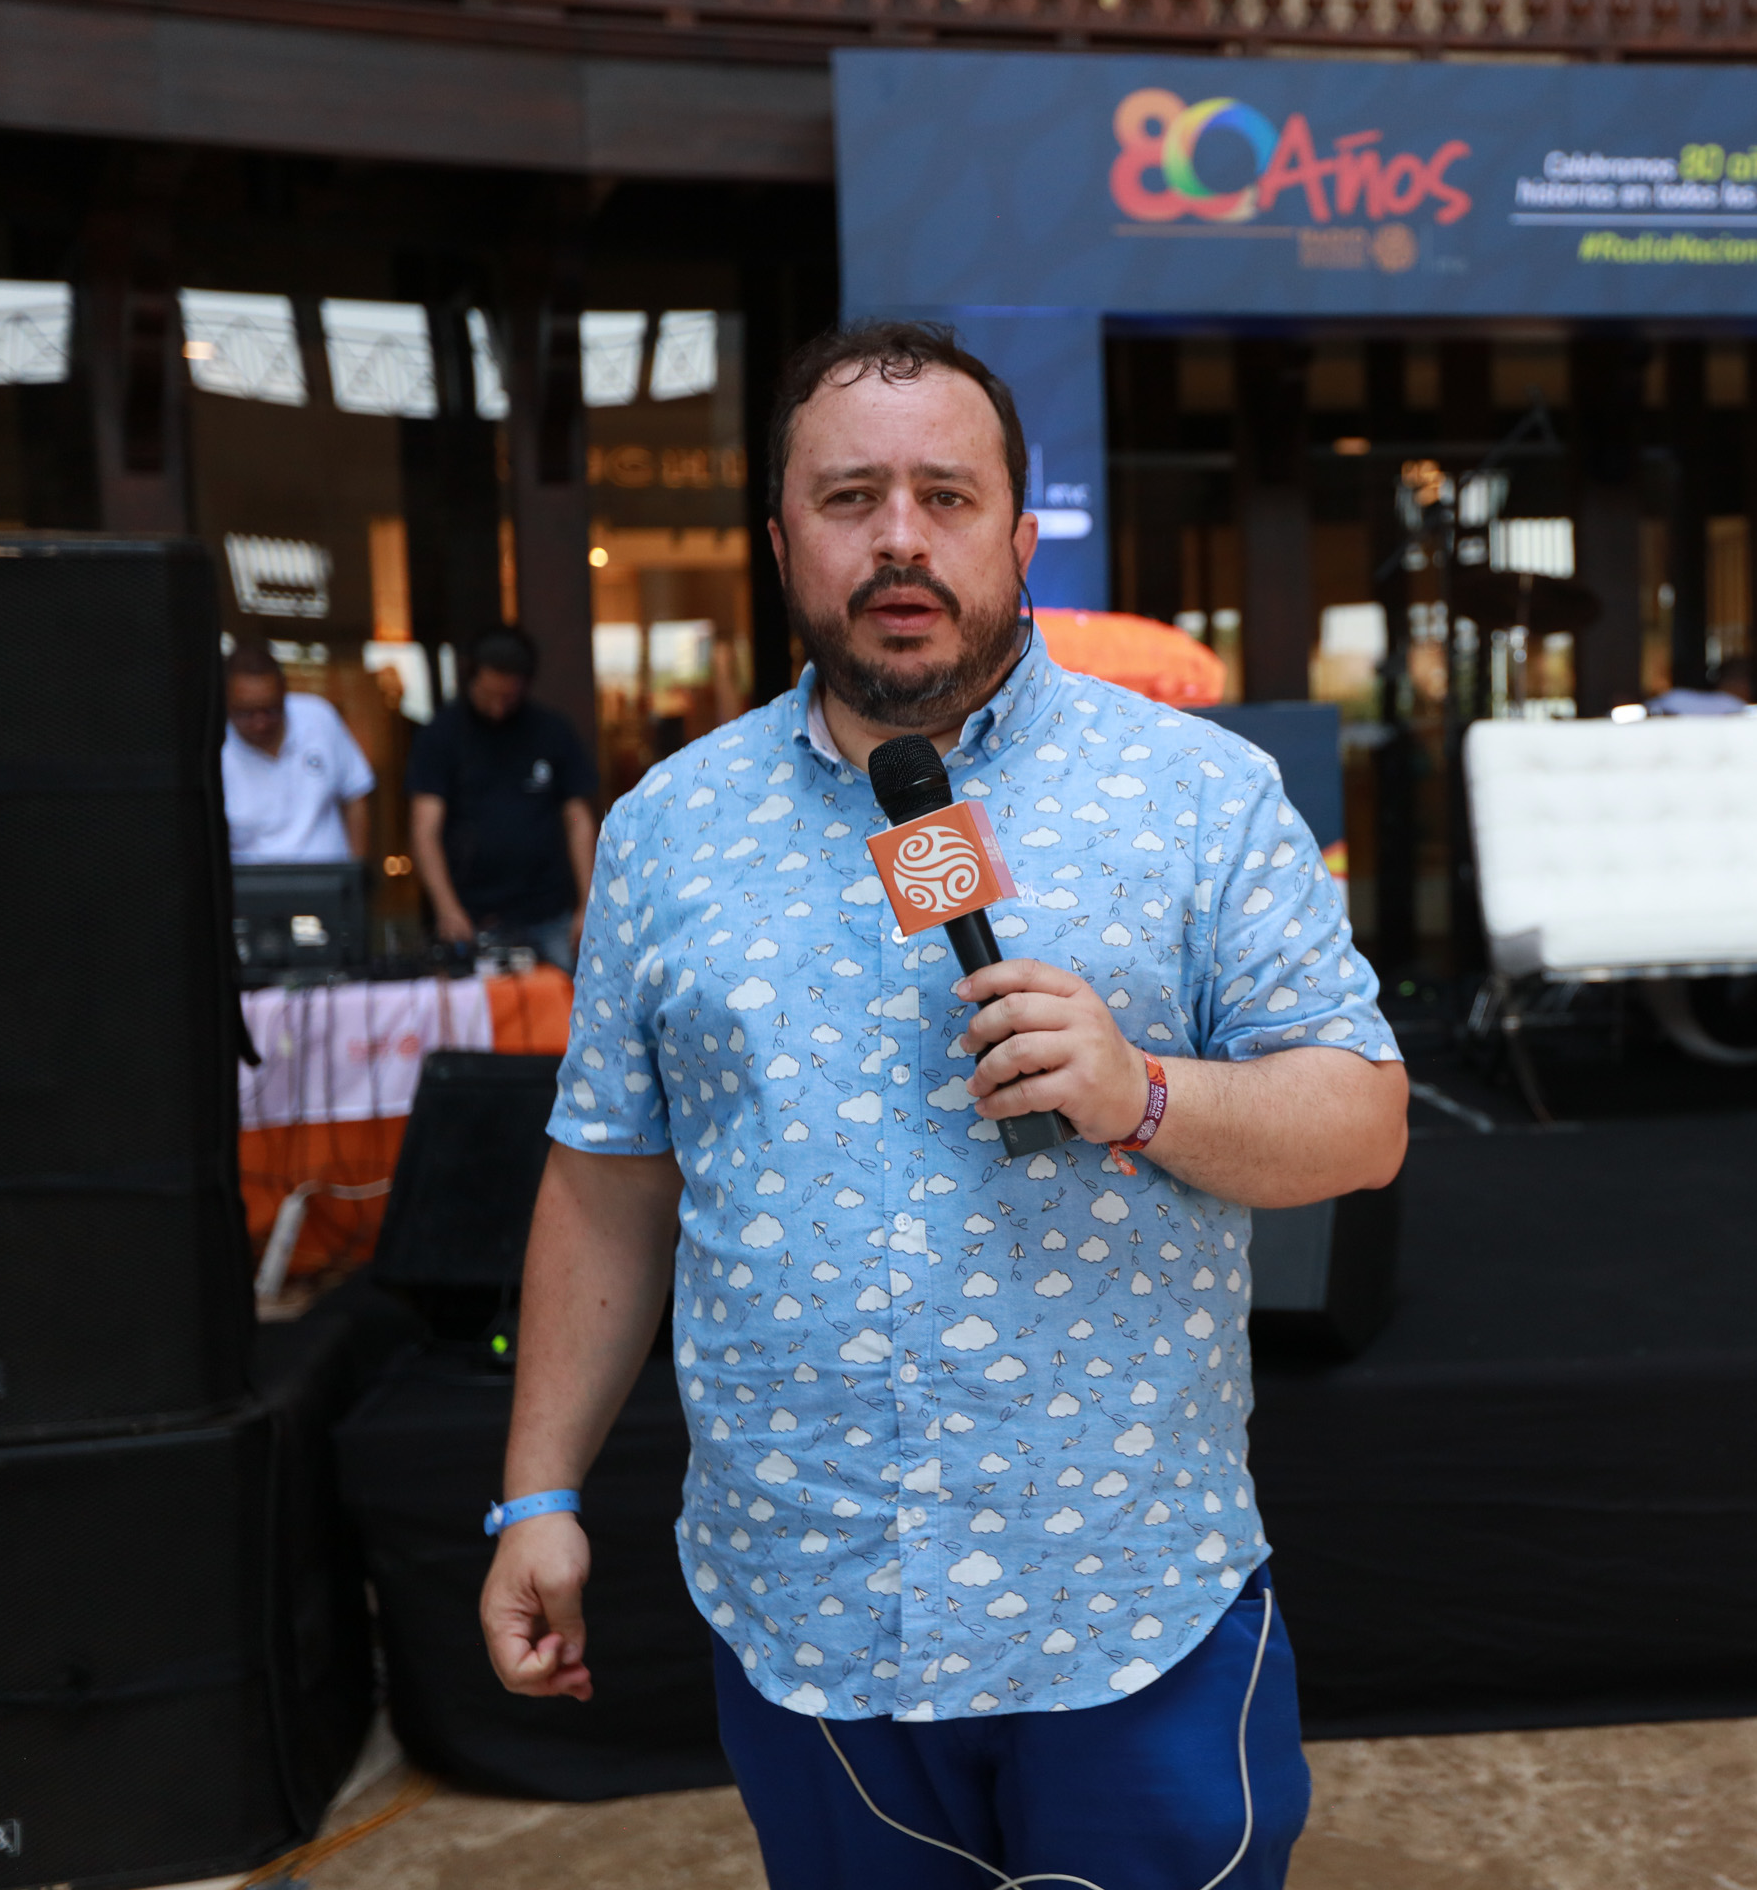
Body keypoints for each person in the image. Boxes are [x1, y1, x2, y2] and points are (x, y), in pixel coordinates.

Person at [476, 321, 1407, 1890]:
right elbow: (611, 1178)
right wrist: (537, 1495)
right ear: (783, 541)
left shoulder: (1198, 795)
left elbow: (1363, 1121)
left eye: (945, 496)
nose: (899, 538)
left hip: (1126, 1608)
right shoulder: (665, 831)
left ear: (1020, 536)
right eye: (849, 498)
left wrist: (1142, 1092)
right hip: (808, 1614)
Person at [406, 626, 598, 969]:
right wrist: (447, 908)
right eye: (489, 695)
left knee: (563, 997)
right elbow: (425, 830)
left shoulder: (552, 732)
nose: (498, 708)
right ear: (471, 679)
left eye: (508, 697)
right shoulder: (441, 736)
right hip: (473, 915)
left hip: (550, 912)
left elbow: (577, 819)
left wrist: (588, 904)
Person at [220, 641, 375, 864]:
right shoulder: (215, 748)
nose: (260, 723)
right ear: (225, 704)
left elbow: (355, 793)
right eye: (246, 713)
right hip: (252, 881)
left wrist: (355, 870)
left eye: (271, 710)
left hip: (328, 877)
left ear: (285, 693)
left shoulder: (318, 717)